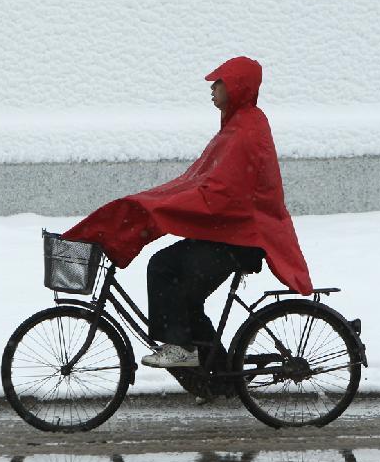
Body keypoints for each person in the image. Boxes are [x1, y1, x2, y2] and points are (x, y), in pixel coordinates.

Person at [62, 56, 312, 368]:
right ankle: (216, 382)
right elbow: (209, 183)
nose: (212, 88)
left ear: (236, 87)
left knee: (164, 266)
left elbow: (222, 193)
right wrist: (163, 201)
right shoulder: (240, 125)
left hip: (243, 239)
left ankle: (180, 348)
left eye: (218, 82)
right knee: (186, 299)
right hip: (234, 234)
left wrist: (167, 205)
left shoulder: (246, 129)